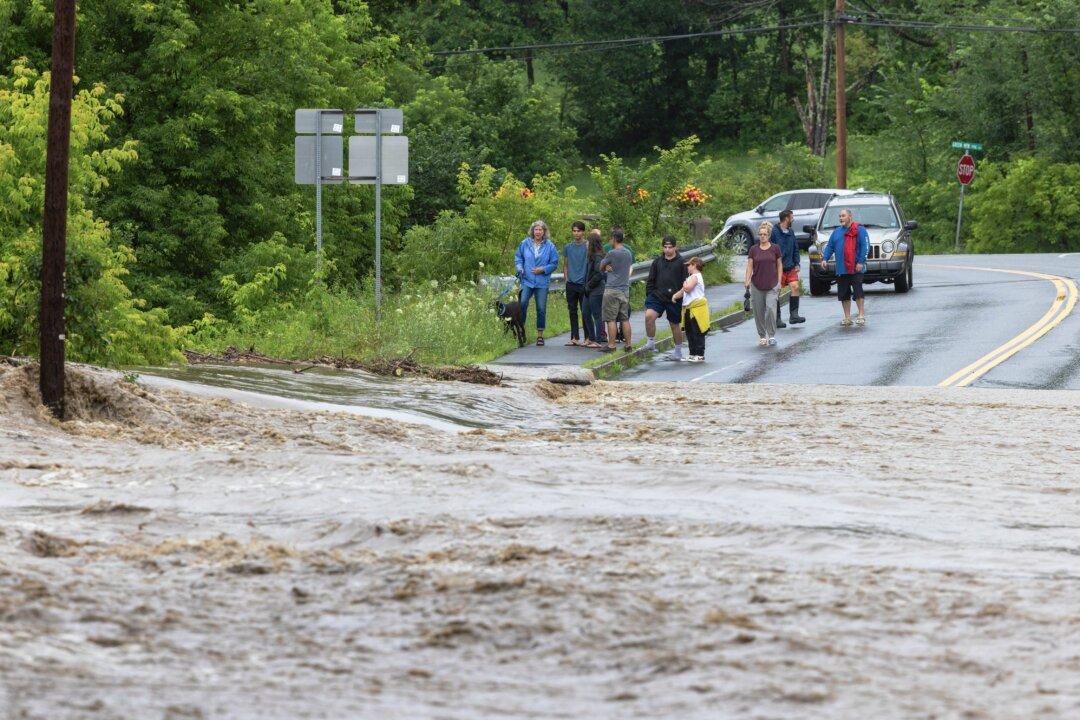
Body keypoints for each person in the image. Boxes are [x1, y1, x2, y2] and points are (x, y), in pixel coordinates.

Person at [514, 219, 560, 346]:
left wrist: (543, 269)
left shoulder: (550, 246)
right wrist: (520, 268)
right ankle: (521, 332)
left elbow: (554, 263)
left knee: (541, 308)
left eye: (540, 230)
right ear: (532, 231)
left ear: (544, 231)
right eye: (536, 229)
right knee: (522, 304)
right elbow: (518, 258)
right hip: (527, 281)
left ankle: (540, 335)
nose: (538, 232)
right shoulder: (524, 243)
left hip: (542, 282)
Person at [820, 208, 869, 326]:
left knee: (858, 291)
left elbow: (865, 246)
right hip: (841, 268)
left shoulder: (860, 230)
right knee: (843, 293)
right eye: (840, 216)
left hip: (856, 267)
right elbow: (830, 246)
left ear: (850, 217)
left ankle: (861, 315)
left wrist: (861, 262)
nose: (841, 218)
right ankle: (847, 317)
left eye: (843, 216)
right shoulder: (836, 232)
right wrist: (825, 259)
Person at [644, 235, 688, 360]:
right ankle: (650, 344)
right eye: (665, 247)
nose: (667, 250)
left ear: (675, 247)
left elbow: (685, 283)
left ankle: (678, 352)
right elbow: (650, 280)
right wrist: (650, 295)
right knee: (649, 316)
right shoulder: (657, 262)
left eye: (670, 247)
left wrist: (679, 296)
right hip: (657, 296)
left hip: (674, 298)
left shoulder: (681, 262)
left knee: (674, 324)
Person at [745, 221, 783, 347]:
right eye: (760, 234)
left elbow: (779, 265)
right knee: (758, 312)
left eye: (765, 234)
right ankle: (762, 336)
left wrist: (779, 281)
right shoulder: (753, 249)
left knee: (771, 309)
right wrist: (747, 280)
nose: (762, 236)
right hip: (757, 284)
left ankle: (771, 335)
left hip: (772, 284)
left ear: (769, 235)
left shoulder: (775, 248)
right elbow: (750, 265)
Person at [599, 227, 633, 353]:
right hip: (624, 289)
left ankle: (612, 345)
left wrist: (606, 266)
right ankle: (628, 345)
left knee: (611, 319)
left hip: (612, 289)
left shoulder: (612, 253)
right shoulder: (628, 253)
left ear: (614, 239)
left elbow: (601, 266)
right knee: (624, 318)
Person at [672, 256, 709, 363]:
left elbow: (687, 289)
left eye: (689, 265)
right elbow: (683, 291)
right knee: (690, 332)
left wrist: (684, 285)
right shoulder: (690, 278)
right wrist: (675, 296)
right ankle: (692, 353)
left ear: (694, 265)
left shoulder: (696, 276)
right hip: (689, 308)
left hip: (696, 309)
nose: (687, 267)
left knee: (697, 331)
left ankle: (700, 354)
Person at [771, 209, 805, 327]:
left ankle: (794, 316)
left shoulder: (791, 232)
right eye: (792, 217)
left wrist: (797, 263)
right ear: (786, 219)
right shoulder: (774, 232)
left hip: (790, 266)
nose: (793, 219)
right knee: (776, 292)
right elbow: (771, 250)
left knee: (795, 286)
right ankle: (777, 319)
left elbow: (795, 248)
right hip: (778, 268)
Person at [562, 220, 592, 346]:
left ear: (583, 232)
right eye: (574, 231)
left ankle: (588, 337)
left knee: (585, 311)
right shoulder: (568, 247)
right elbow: (565, 264)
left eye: (578, 231)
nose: (576, 233)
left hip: (583, 284)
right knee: (572, 311)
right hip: (571, 284)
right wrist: (566, 279)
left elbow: (592, 262)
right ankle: (574, 337)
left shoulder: (588, 246)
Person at [583, 230, 606, 348]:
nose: (586, 243)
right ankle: (591, 338)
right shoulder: (591, 255)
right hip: (589, 290)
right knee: (585, 312)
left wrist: (588, 285)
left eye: (588, 241)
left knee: (597, 314)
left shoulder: (598, 256)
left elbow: (599, 274)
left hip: (596, 290)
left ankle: (598, 339)